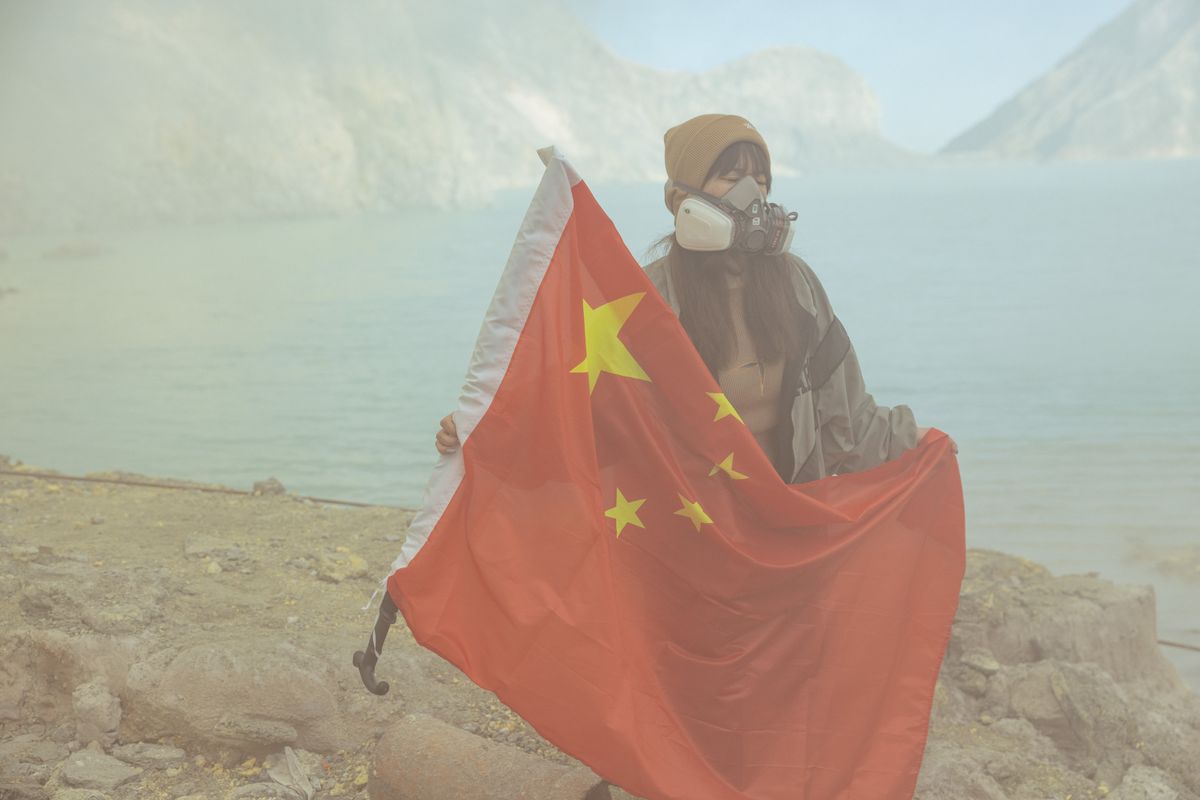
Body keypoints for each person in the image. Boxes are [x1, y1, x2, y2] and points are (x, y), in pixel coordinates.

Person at [436, 113, 954, 477]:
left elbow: (850, 422)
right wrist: (487, 429)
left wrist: (921, 445)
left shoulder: (798, 288)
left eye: (761, 179)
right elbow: (576, 418)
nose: (754, 195)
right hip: (684, 540)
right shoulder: (644, 302)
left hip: (780, 521)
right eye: (732, 177)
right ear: (680, 200)